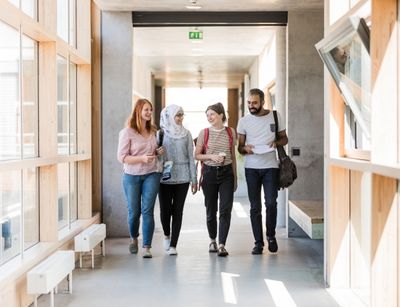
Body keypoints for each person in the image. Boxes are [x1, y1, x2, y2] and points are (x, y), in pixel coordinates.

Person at [237, 88, 288, 254]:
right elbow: (240, 148)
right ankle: (258, 242)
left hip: (270, 166)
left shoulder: (275, 116)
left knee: (271, 203)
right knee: (255, 207)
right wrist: (246, 148)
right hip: (251, 167)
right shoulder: (244, 121)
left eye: (254, 103)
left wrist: (277, 143)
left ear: (262, 102)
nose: (251, 106)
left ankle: (271, 236)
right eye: (249, 103)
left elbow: (284, 138)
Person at [117, 98, 164, 259]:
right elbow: (122, 157)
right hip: (131, 176)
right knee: (134, 212)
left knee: (148, 210)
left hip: (151, 173)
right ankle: (133, 237)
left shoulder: (153, 131)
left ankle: (147, 247)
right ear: (138, 111)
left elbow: (154, 151)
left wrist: (159, 151)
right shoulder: (127, 132)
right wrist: (141, 159)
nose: (149, 112)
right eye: (146, 110)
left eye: (150, 110)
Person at [195, 102, 237, 257]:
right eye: (207, 115)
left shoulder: (231, 132)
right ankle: (212, 239)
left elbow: (232, 156)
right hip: (209, 173)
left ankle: (222, 244)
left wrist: (235, 177)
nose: (209, 117)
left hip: (227, 174)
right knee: (211, 210)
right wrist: (211, 156)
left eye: (212, 114)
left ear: (221, 115)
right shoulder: (203, 133)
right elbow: (197, 155)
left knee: (226, 210)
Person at [158, 104, 198, 256]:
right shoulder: (161, 133)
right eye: (178, 115)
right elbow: (156, 155)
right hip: (165, 176)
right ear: (169, 116)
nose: (180, 118)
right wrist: (159, 153)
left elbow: (190, 157)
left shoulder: (187, 134)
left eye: (182, 115)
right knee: (165, 210)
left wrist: (194, 179)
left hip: (183, 177)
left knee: (178, 211)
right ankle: (166, 235)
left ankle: (174, 244)